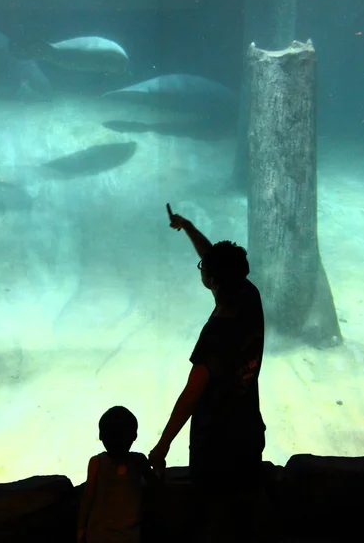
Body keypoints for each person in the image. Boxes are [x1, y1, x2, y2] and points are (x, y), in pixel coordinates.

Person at [148, 210, 268, 542]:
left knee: (212, 520)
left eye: (205, 269)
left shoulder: (216, 335)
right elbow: (214, 257)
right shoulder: (248, 295)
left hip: (215, 442)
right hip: (248, 430)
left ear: (212, 280)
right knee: (246, 517)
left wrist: (162, 445)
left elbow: (192, 394)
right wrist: (187, 227)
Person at [77, 406, 158, 543]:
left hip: (97, 536)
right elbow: (155, 485)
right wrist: (159, 468)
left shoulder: (96, 463)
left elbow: (87, 498)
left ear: (101, 436)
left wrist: (80, 529)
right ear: (134, 436)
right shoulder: (139, 461)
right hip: (129, 536)